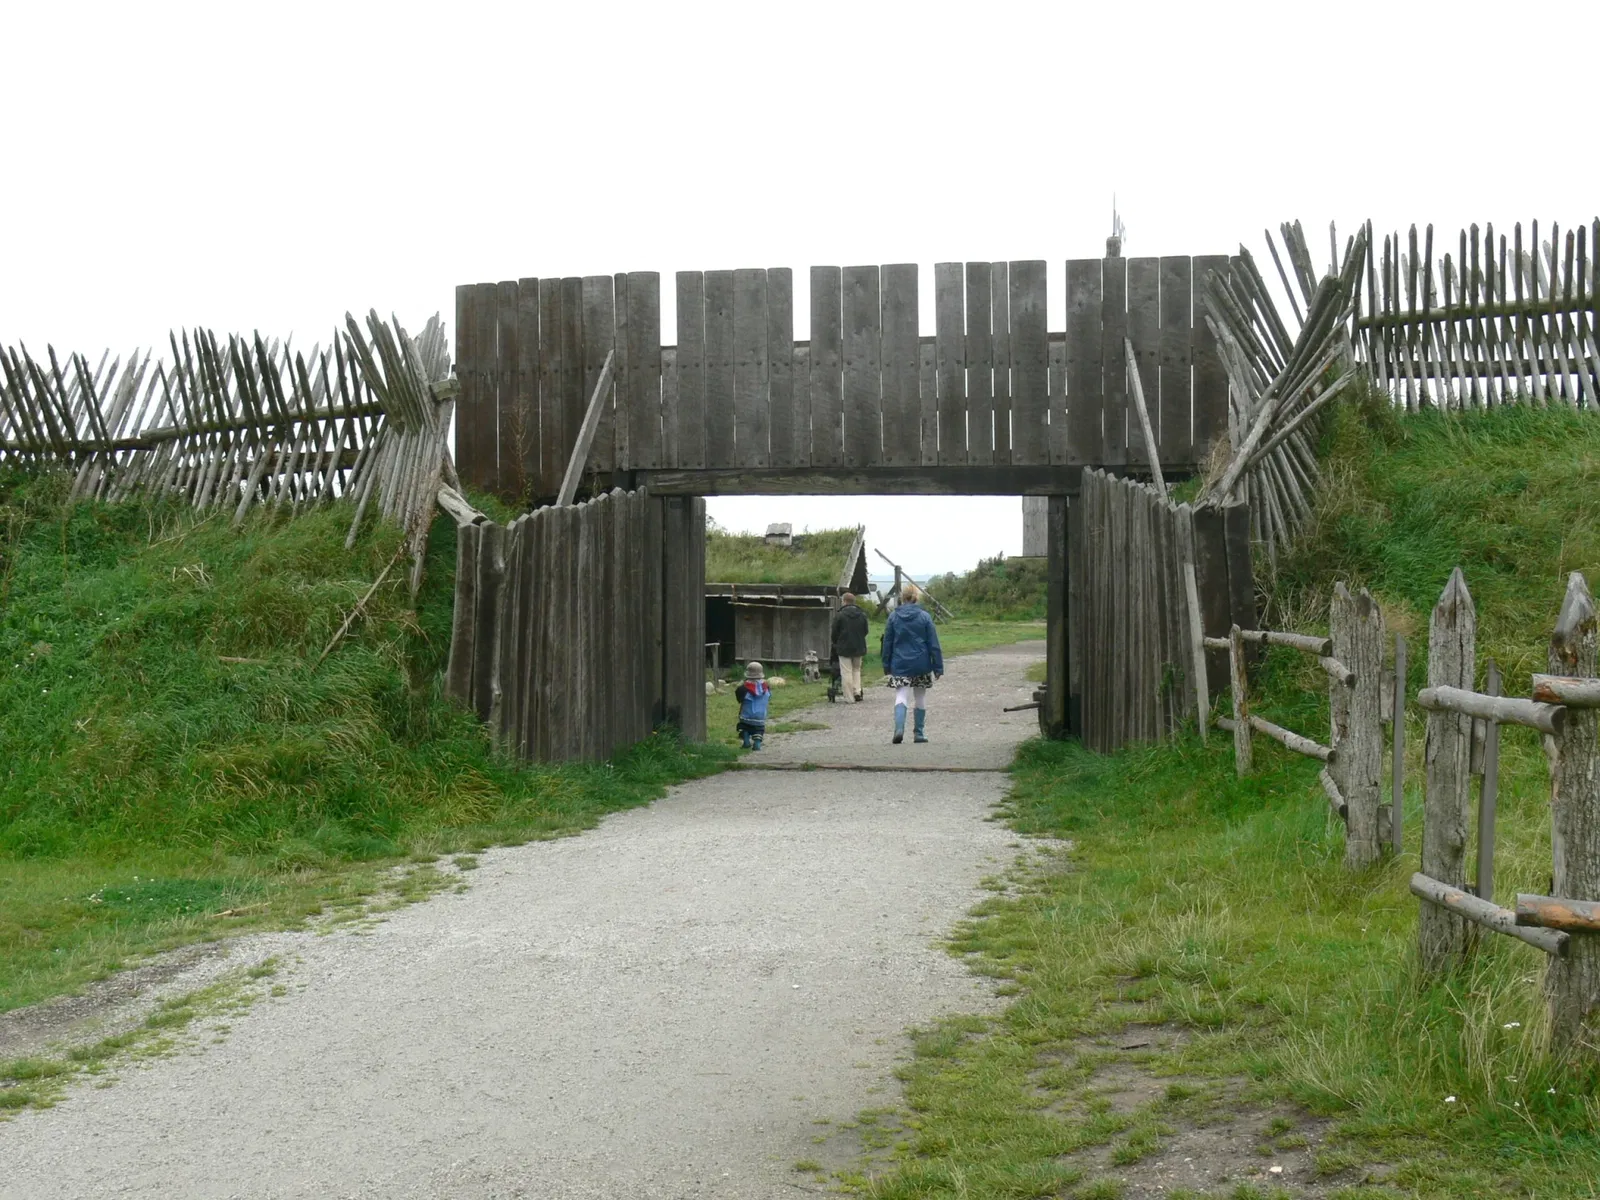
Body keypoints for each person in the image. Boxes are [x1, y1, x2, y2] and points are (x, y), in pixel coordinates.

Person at [880, 584, 943, 744]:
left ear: (903, 597)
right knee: (920, 696)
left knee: (901, 695)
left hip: (900, 663)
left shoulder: (893, 617)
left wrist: (886, 664)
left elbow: (887, 643)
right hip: (921, 663)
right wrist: (937, 666)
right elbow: (933, 643)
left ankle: (899, 729)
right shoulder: (925, 617)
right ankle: (919, 733)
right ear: (916, 597)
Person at [830, 592, 870, 702]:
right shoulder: (862, 615)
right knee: (856, 670)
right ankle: (857, 691)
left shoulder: (840, 615)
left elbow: (834, 632)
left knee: (846, 671)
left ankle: (849, 697)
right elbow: (866, 630)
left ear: (844, 601)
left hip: (844, 647)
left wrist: (836, 643)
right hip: (859, 646)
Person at [734, 660, 771, 750]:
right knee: (759, 729)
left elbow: (739, 699)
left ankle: (746, 741)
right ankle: (757, 743)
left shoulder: (743, 688)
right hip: (760, 716)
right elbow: (769, 697)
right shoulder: (766, 687)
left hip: (746, 715)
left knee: (743, 727)